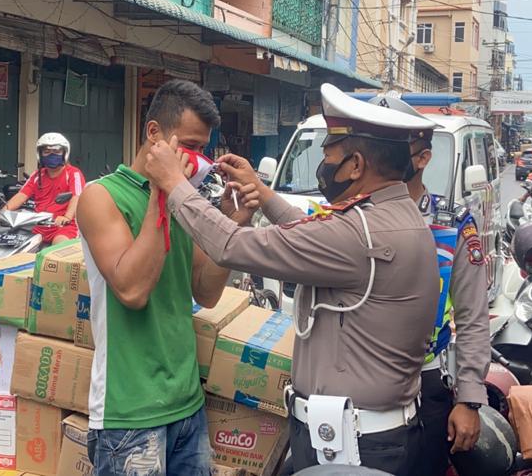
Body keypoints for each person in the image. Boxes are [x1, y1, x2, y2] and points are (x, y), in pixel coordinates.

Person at [143, 83, 441, 474]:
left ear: (355, 166)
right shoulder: (395, 217)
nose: (323, 165)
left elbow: (232, 245)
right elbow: (313, 236)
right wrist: (262, 192)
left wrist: (175, 184)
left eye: (329, 155)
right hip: (367, 435)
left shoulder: (361, 233)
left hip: (353, 449)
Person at [76, 79, 260, 475]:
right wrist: (165, 191)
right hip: (130, 413)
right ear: (154, 133)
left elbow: (204, 290)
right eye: (189, 147)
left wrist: (234, 225)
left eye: (203, 149)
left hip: (187, 404)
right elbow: (132, 289)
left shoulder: (183, 200)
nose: (197, 159)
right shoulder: (100, 196)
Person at [368, 96, 490, 476]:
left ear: (421, 158)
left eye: (388, 149)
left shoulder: (452, 224)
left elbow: (473, 316)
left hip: (426, 383)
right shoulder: (347, 219)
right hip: (360, 387)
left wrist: (469, 400)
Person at [0, 132, 85, 244]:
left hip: (64, 227)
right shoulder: (37, 175)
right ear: (40, 154)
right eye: (47, 152)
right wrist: (2, 213)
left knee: (58, 248)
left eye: (56, 151)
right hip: (40, 226)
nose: (51, 155)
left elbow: (76, 197)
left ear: (65, 153)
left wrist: (67, 218)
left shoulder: (74, 173)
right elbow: (21, 195)